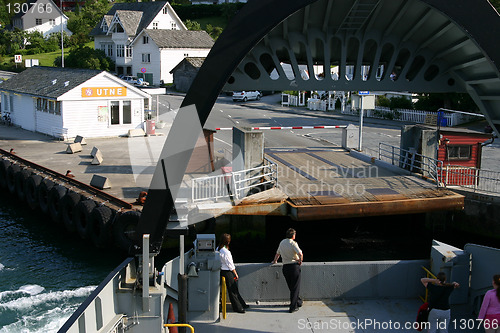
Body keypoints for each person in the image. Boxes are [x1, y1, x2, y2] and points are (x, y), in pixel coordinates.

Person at [271, 228, 303, 313]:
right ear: (293, 235)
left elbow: (277, 253)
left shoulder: (282, 242)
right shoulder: (293, 243)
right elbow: (300, 253)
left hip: (285, 268)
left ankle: (298, 301)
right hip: (294, 267)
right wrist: (300, 261)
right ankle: (293, 307)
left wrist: (275, 261)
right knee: (295, 287)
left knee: (291, 287)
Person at [217, 233, 247, 313]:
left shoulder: (218, 249)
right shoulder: (226, 252)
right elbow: (230, 264)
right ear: (228, 242)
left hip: (221, 271)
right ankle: (238, 307)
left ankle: (242, 304)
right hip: (227, 272)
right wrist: (235, 273)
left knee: (233, 289)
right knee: (232, 290)